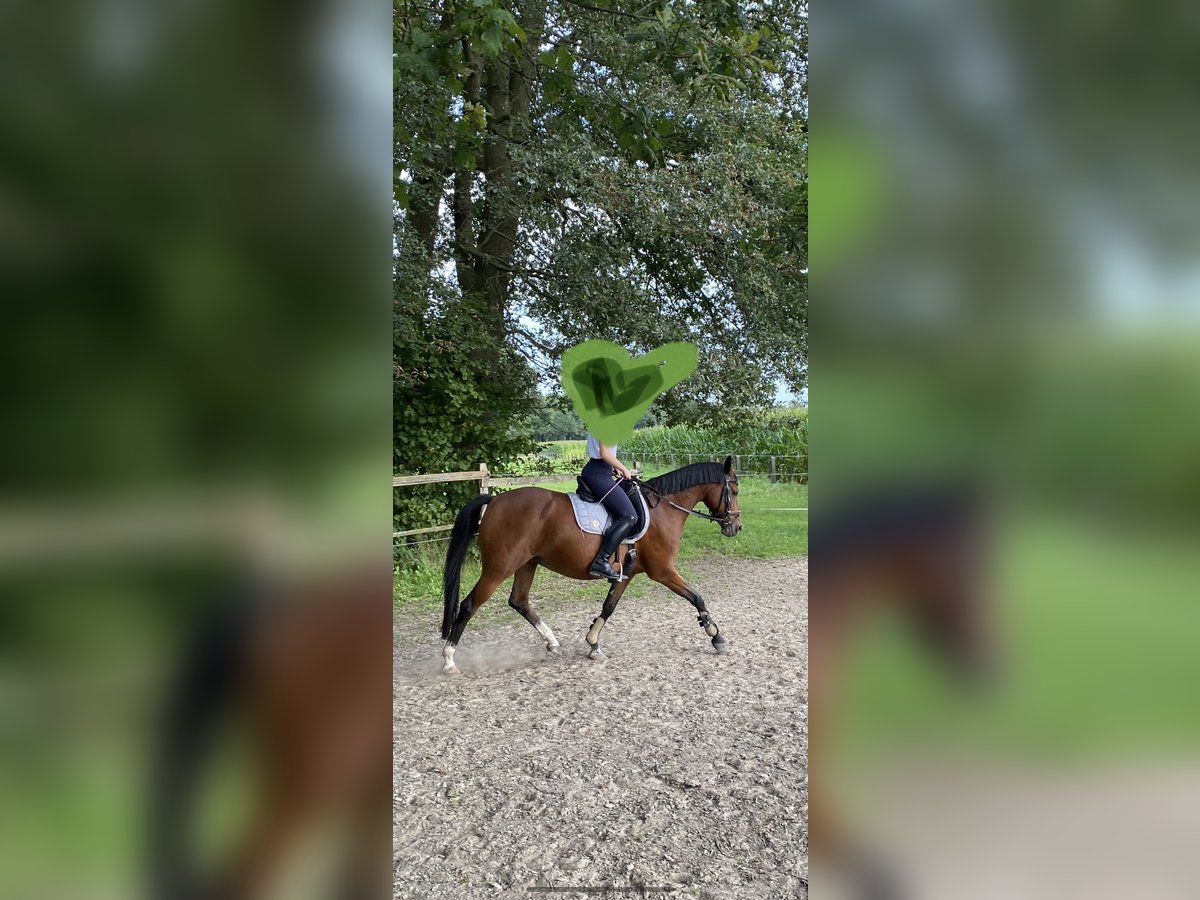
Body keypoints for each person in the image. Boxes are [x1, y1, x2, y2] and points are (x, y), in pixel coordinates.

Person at [580, 433, 638, 579]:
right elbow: (605, 454)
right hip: (599, 474)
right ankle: (602, 560)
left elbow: (604, 454)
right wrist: (624, 469)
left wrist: (614, 467)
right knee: (629, 516)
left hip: (599, 469)